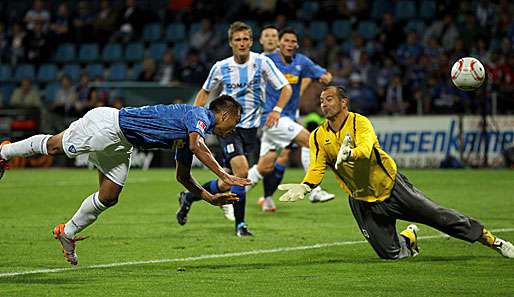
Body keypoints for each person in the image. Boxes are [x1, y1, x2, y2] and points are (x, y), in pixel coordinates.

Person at [0, 95, 250, 265]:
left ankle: (67, 231)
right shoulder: (199, 116)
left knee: (109, 196)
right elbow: (198, 146)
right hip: (108, 126)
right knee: (55, 146)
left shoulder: (190, 136)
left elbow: (182, 176)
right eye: (235, 122)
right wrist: (224, 175)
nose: (232, 129)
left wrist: (209, 197)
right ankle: (4, 153)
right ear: (225, 114)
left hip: (122, 144)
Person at [277, 85, 514, 260]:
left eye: (329, 99)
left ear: (344, 102)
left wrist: (351, 153)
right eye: (321, 100)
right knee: (391, 255)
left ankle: (494, 241)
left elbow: (367, 148)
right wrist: (306, 186)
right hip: (361, 200)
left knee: (440, 217)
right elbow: (317, 166)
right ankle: (409, 239)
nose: (324, 104)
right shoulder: (319, 136)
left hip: (392, 187)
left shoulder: (360, 123)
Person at [176, 21, 292, 237]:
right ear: (230, 43)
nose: (242, 43)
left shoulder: (262, 62)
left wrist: (277, 110)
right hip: (227, 128)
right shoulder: (221, 67)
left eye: (246, 39)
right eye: (237, 39)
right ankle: (241, 225)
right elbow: (204, 92)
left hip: (251, 130)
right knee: (242, 172)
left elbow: (285, 88)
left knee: (226, 182)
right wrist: (192, 119)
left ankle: (189, 197)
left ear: (251, 41)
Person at [247, 28, 335, 213]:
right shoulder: (267, 61)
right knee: (310, 141)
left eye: (292, 41)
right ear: (280, 43)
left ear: (296, 44)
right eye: (285, 40)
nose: (289, 44)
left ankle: (233, 193)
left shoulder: (301, 61)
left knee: (265, 165)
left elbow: (323, 74)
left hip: (288, 117)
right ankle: (314, 189)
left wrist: (325, 77)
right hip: (272, 116)